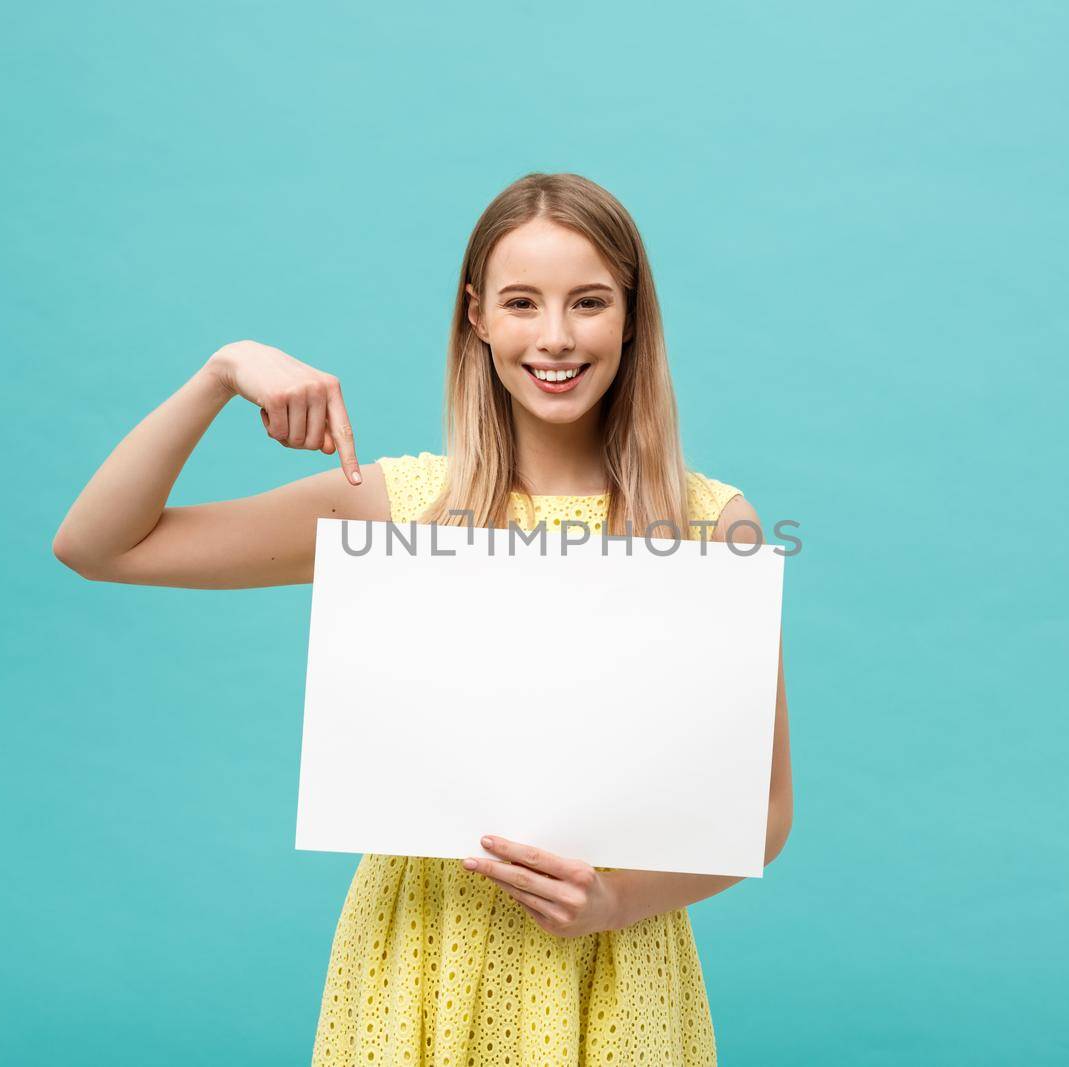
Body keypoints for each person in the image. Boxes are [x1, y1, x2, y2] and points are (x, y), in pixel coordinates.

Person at [52, 171, 794, 1066]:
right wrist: (223, 370)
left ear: (633, 317)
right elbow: (100, 545)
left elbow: (766, 807)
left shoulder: (712, 524)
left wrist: (617, 901)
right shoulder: (400, 510)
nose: (555, 337)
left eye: (589, 302)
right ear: (475, 317)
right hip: (418, 965)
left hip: (615, 967)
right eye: (523, 303)